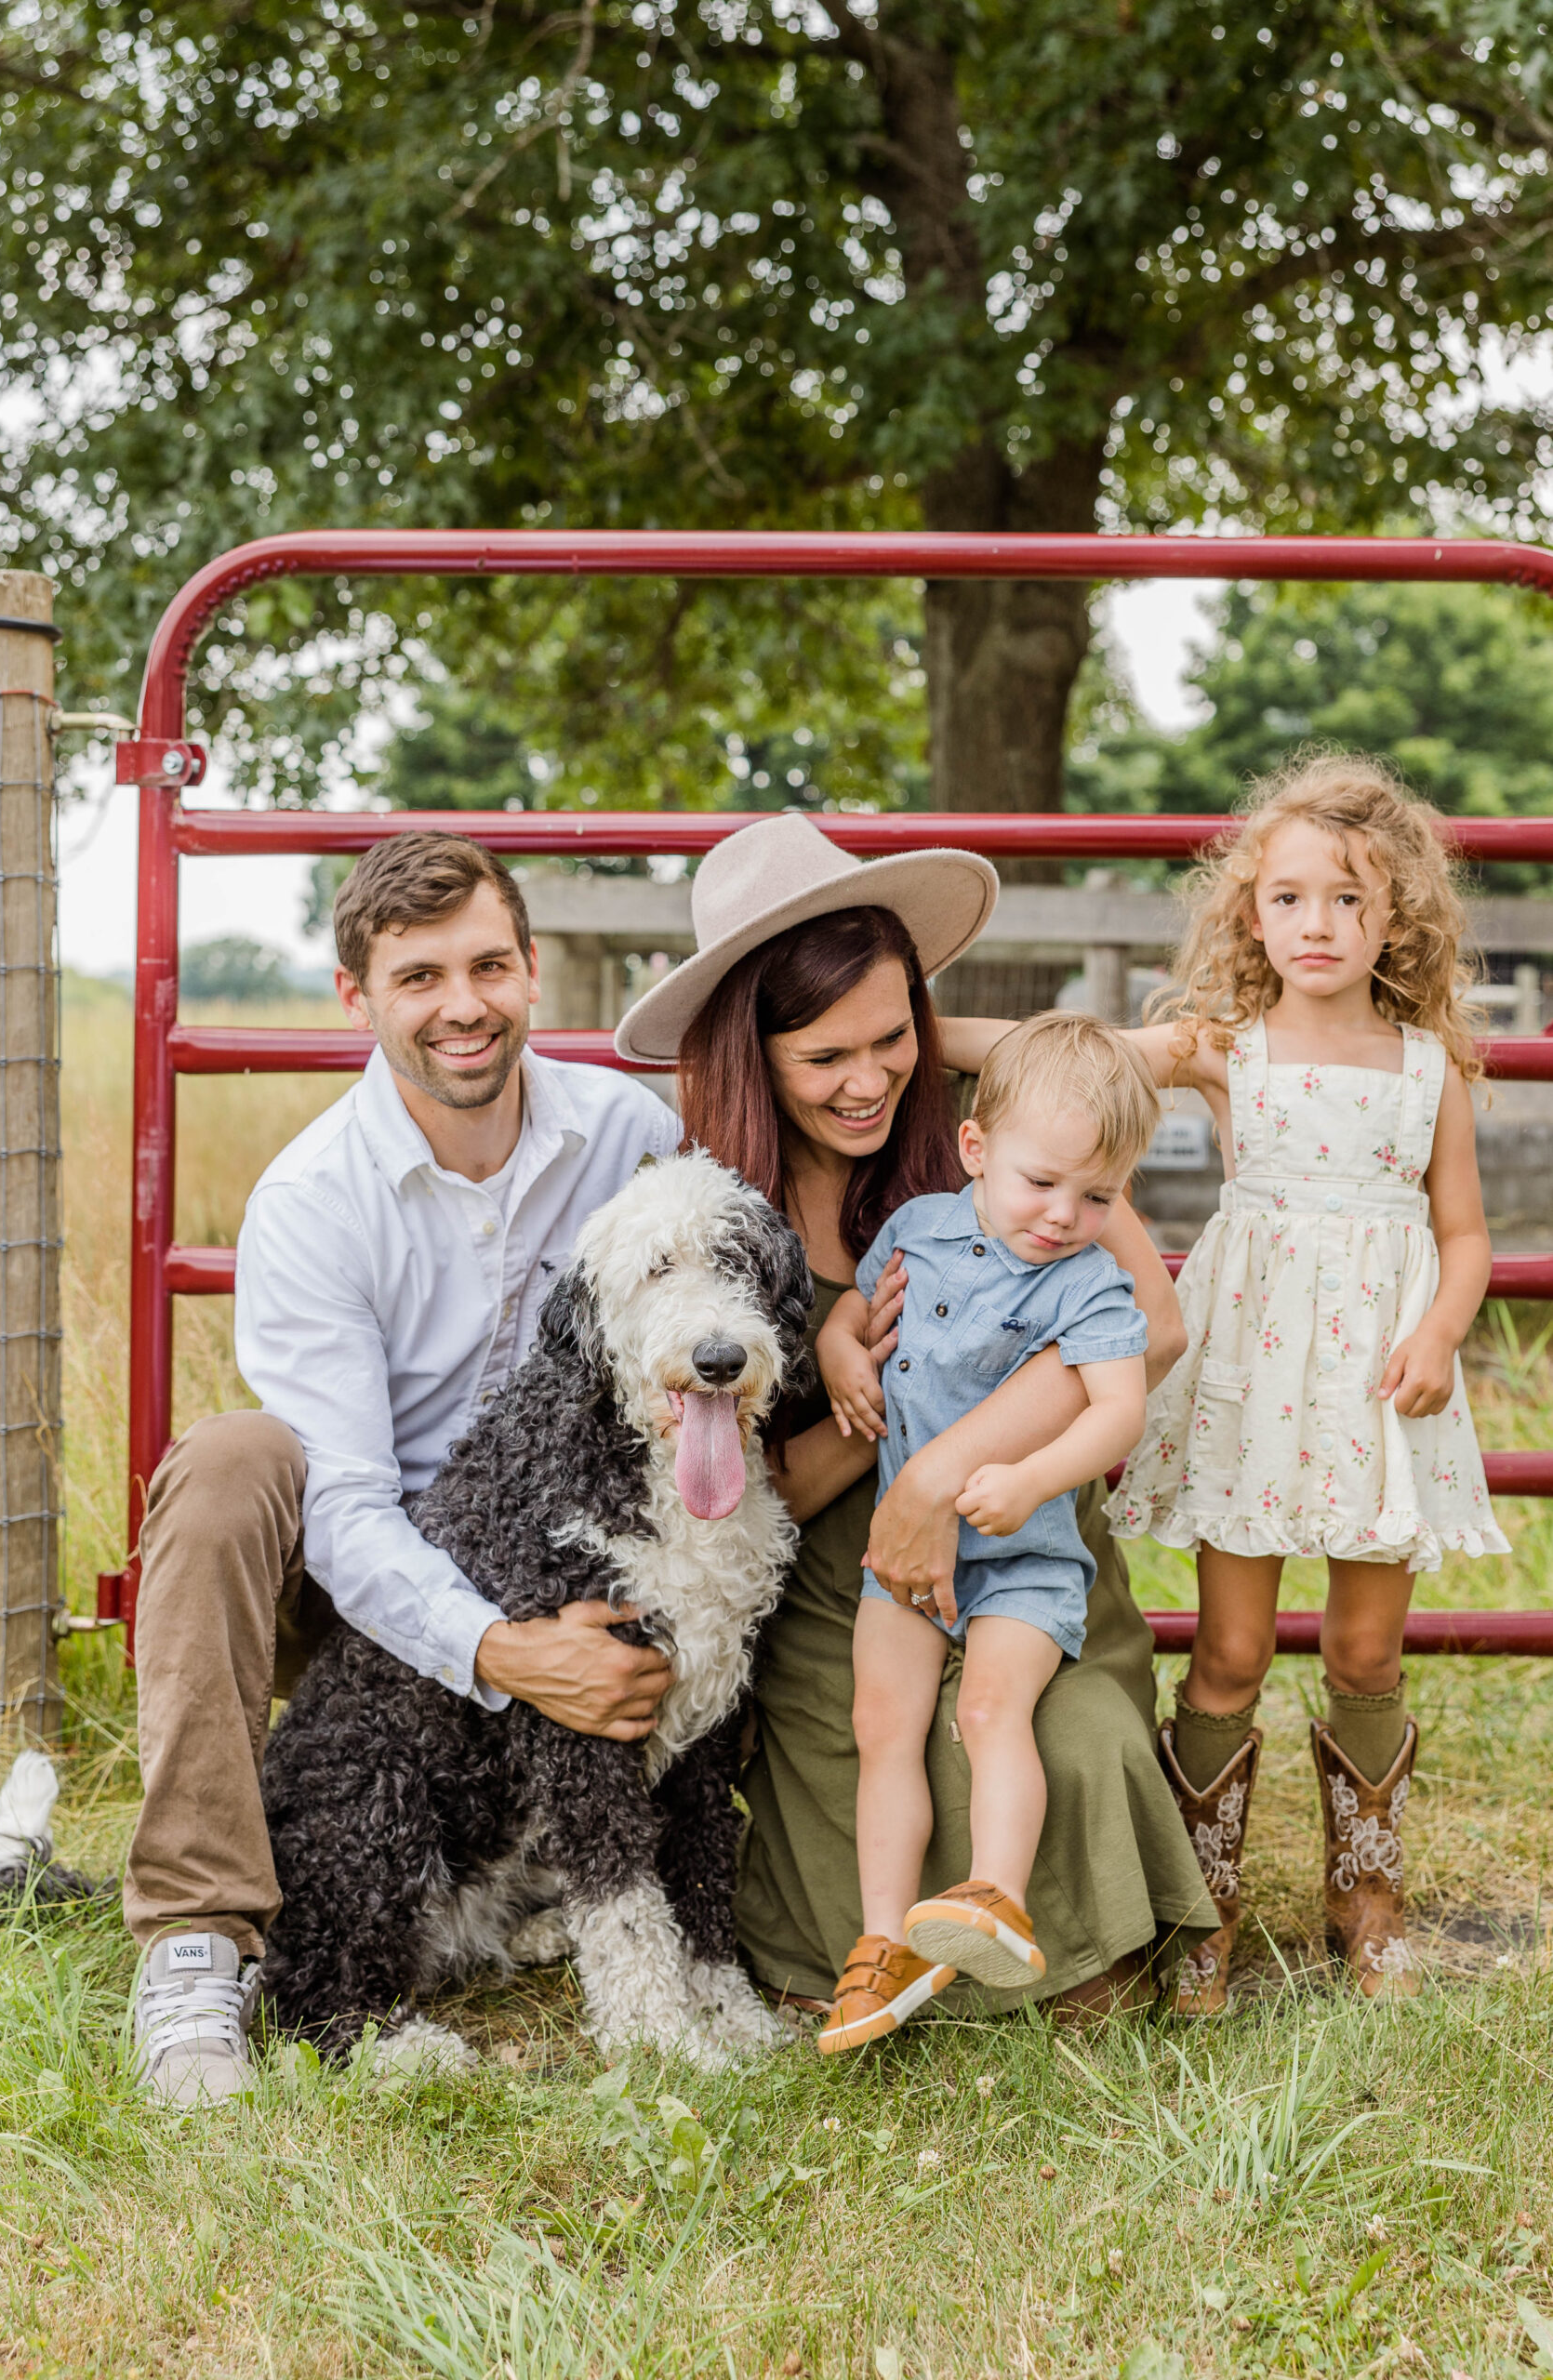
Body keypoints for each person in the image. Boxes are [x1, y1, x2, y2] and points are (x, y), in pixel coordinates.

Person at [614, 812, 1217, 2027]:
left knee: (1064, 1737)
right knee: (878, 1752)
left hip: (1014, 1543)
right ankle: (880, 1959)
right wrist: (880, 1461)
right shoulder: (716, 1217)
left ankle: (1076, 1943)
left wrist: (937, 1470)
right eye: (823, 1056)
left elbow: (1148, 1334)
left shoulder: (1007, 1146)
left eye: (894, 1037)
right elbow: (737, 1495)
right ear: (753, 1052)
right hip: (839, 1581)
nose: (869, 1080)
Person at [126, 834, 683, 2106]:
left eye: (488, 965)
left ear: (533, 972)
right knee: (230, 1460)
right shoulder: (314, 1198)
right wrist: (500, 1649)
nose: (462, 1004)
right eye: (419, 976)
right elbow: (346, 1508)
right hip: (362, 1596)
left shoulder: (626, 1136)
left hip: (571, 1553)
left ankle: (594, 1881)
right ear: (357, 999)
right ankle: (198, 1939)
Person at [1108, 754, 1507, 2008]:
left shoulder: (1423, 1065)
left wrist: (1440, 1332)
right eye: (1288, 899)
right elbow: (1069, 1056)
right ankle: (1202, 1902)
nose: (1316, 925)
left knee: (1363, 1645)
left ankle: (1363, 1893)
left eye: (1346, 901)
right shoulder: (1228, 1049)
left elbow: (1463, 1236)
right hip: (1252, 1377)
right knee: (1225, 1648)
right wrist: (903, 1022)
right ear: (1249, 914)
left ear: (1395, 919)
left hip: (1377, 1389)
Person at [811, 1015, 1161, 2050]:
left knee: (991, 1709)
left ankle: (993, 1899)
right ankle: (880, 1948)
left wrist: (1032, 1477)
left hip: (1024, 1560)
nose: (1064, 1215)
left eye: (1099, 1196)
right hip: (906, 1563)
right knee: (884, 1724)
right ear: (976, 1150)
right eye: (1042, 1182)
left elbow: (1117, 1411)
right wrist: (839, 1343)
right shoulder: (918, 1229)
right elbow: (856, 1307)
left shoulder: (1090, 1281)